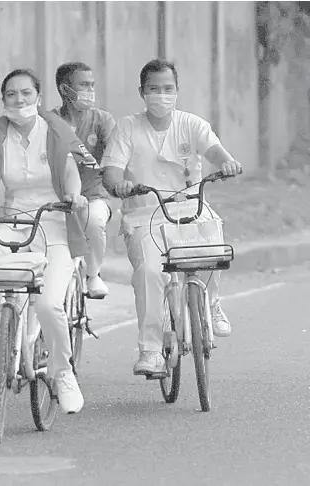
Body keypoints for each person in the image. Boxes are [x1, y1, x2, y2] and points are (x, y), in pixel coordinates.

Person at [0, 68, 97, 413]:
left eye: (26, 93)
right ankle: (6, 321)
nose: (19, 100)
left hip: (54, 223)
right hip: (10, 222)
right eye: (11, 94)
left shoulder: (57, 130)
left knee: (49, 305)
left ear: (38, 97)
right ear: (3, 100)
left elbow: (72, 170)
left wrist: (74, 196)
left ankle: (62, 373)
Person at [102, 59, 243, 375]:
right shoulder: (127, 128)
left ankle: (211, 303)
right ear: (142, 92)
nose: (161, 95)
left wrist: (229, 163)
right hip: (145, 214)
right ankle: (150, 350)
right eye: (154, 89)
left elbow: (215, 152)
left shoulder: (191, 124)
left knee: (213, 241)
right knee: (150, 273)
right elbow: (111, 172)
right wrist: (119, 184)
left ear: (177, 91)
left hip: (189, 207)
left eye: (168, 89)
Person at [51, 61, 116, 298]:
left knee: (94, 219)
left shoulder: (102, 120)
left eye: (92, 85)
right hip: (57, 196)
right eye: (83, 85)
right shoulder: (49, 121)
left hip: (93, 195)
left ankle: (93, 274)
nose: (90, 90)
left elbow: (114, 154)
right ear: (64, 89)